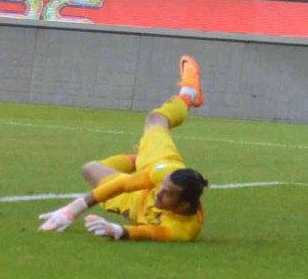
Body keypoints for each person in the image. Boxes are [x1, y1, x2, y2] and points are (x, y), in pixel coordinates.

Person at [37, 55, 209, 243]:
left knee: (89, 168)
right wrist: (71, 211)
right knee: (156, 119)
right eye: (163, 188)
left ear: (183, 206)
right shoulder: (164, 174)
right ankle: (189, 94)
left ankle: (136, 159)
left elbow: (150, 233)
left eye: (167, 193)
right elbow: (123, 184)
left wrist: (118, 230)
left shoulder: (184, 230)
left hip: (130, 201)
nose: (159, 192)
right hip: (157, 163)